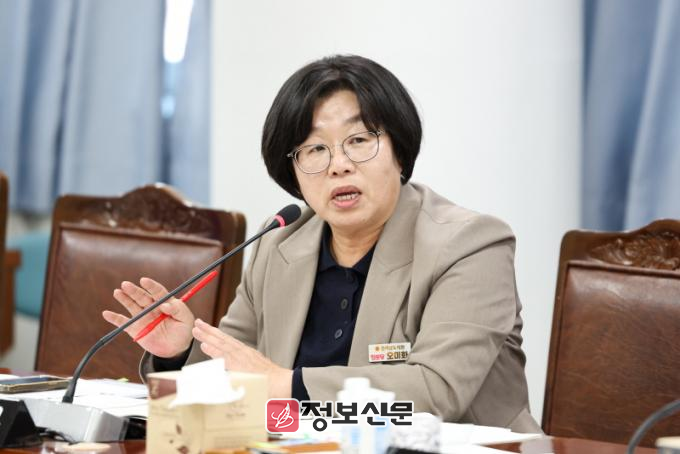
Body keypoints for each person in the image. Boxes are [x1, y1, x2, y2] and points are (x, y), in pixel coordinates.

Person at [102, 55, 540, 432]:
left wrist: (286, 385)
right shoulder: (280, 244)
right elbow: (238, 369)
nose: (339, 165)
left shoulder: (469, 245)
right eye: (314, 150)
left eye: (359, 140)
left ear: (399, 151)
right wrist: (180, 355)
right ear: (293, 172)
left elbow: (435, 393)